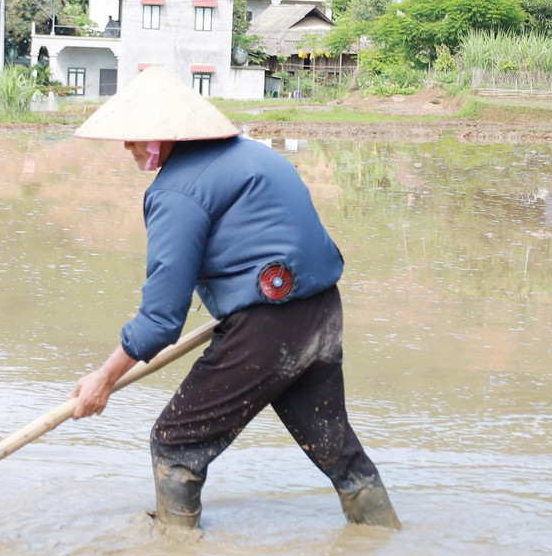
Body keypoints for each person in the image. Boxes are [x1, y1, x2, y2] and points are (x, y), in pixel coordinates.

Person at [68, 66, 401, 530]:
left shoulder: (176, 192)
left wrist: (104, 378)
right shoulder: (256, 155)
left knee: (176, 443)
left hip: (269, 325)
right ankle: (386, 538)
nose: (127, 146)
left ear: (165, 135)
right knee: (337, 451)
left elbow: (162, 319)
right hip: (321, 311)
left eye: (135, 135)